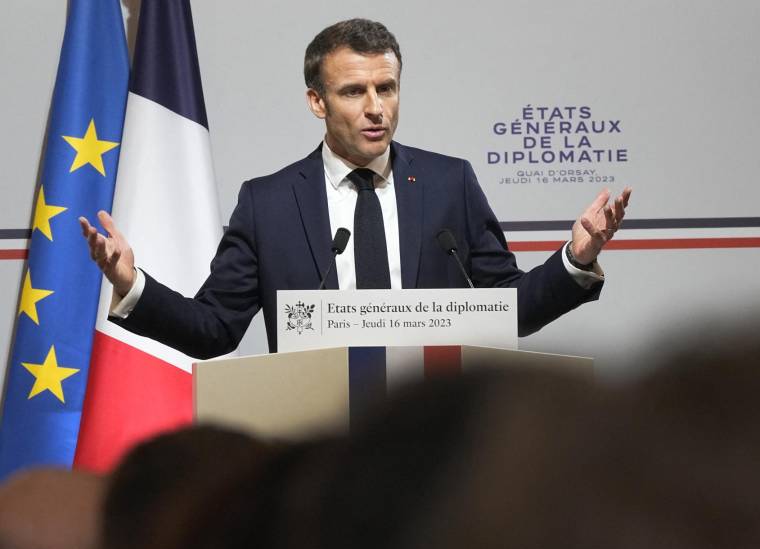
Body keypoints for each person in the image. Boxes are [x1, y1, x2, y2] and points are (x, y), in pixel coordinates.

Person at [80, 18, 630, 357]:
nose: (375, 108)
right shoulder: (268, 203)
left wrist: (574, 261)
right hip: (319, 454)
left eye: (386, 88)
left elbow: (507, 309)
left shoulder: (448, 184)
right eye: (353, 91)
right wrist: (133, 284)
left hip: (428, 449)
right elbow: (214, 329)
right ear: (317, 102)